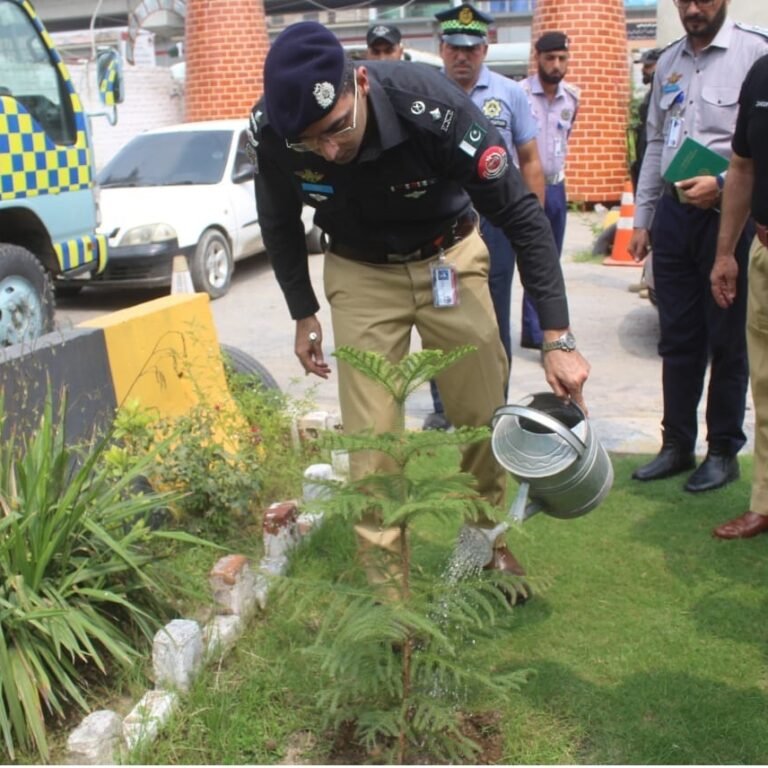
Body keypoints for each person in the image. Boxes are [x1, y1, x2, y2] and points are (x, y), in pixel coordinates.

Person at [249, 21, 590, 594]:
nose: (331, 151)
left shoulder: (432, 106)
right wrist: (303, 311)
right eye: (313, 143)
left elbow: (523, 216)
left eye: (336, 129)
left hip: (448, 258)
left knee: (481, 417)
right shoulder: (273, 132)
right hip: (359, 273)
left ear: (359, 80)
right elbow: (279, 220)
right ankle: (389, 600)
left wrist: (556, 337)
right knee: (372, 442)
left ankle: (486, 543)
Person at [628, 0, 768, 493]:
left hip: (729, 217)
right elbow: (654, 144)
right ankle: (676, 444)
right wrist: (643, 218)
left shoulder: (755, 52)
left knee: (728, 339)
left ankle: (724, 449)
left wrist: (724, 180)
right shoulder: (668, 61)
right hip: (674, 215)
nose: (692, 8)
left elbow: (761, 151)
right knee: (678, 337)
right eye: (682, 1)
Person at [424, 2, 546, 431]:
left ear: (485, 49)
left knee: (493, 318)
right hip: (440, 230)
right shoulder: (424, 92)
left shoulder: (510, 95)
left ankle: (499, 405)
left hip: (493, 225)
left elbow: (530, 161)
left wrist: (531, 224)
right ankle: (443, 408)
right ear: (441, 49)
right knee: (441, 316)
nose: (463, 56)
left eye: (471, 48)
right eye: (454, 48)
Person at [710, 53, 768, 539]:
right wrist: (726, 252)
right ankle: (764, 502)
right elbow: (743, 167)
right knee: (766, 387)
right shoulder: (762, 74)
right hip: (763, 252)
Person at [519, 31, 579, 351]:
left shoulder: (573, 97)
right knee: (531, 257)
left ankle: (540, 328)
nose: (556, 65)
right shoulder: (520, 94)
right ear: (537, 58)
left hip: (556, 186)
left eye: (561, 58)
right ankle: (534, 330)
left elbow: (565, 137)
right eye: (549, 58)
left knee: (549, 260)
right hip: (526, 186)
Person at [630, 47, 661, 193]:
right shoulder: (651, 93)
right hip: (644, 157)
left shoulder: (663, 94)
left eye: (648, 66)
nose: (644, 70)